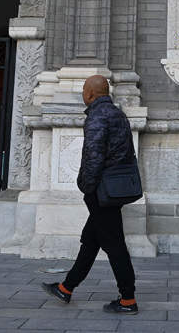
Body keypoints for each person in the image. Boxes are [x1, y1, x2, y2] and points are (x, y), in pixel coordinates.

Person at [41, 75, 139, 315]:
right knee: (91, 240)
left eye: (84, 90)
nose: (84, 94)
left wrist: (87, 186)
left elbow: (93, 157)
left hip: (101, 190)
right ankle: (66, 287)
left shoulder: (97, 116)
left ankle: (128, 299)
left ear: (91, 94)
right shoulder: (118, 114)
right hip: (113, 188)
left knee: (114, 244)